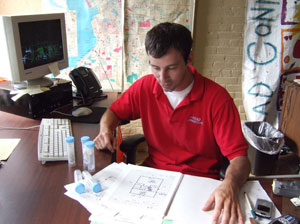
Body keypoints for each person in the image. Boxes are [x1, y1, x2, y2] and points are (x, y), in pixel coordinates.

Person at [94, 22, 251, 224]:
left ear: (189, 58)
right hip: (155, 178)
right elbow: (113, 111)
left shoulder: (217, 99)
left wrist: (230, 183)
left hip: (198, 182)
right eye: (155, 67)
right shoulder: (146, 86)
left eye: (171, 68)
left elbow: (240, 159)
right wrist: (106, 129)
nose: (162, 78)